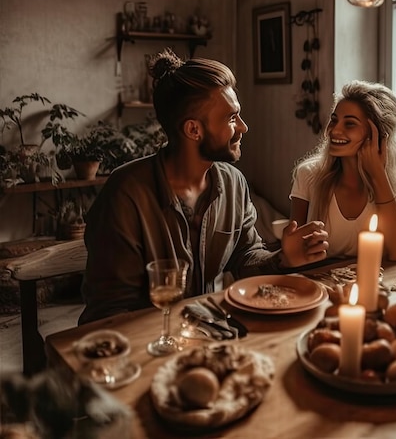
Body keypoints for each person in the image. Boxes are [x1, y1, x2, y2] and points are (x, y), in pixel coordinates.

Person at [79, 49, 328, 324]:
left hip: (209, 330)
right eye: (232, 118)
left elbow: (245, 256)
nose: (243, 128)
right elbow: (110, 309)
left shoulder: (234, 183)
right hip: (147, 343)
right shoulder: (125, 193)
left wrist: (283, 259)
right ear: (193, 130)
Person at [290, 81, 396, 262]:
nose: (334, 130)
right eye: (334, 120)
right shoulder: (308, 174)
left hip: (379, 283)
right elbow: (293, 253)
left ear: (378, 136)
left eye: (349, 124)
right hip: (324, 284)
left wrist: (378, 175)